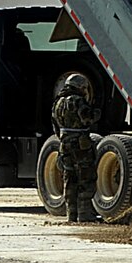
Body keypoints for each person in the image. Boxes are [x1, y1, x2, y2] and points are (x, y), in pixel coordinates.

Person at [52, 73, 100, 223]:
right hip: (80, 145)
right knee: (85, 177)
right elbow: (87, 118)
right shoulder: (78, 101)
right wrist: (96, 112)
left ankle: (71, 214)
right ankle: (85, 214)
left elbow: (55, 126)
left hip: (64, 144)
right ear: (79, 86)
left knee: (69, 178)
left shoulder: (57, 103)